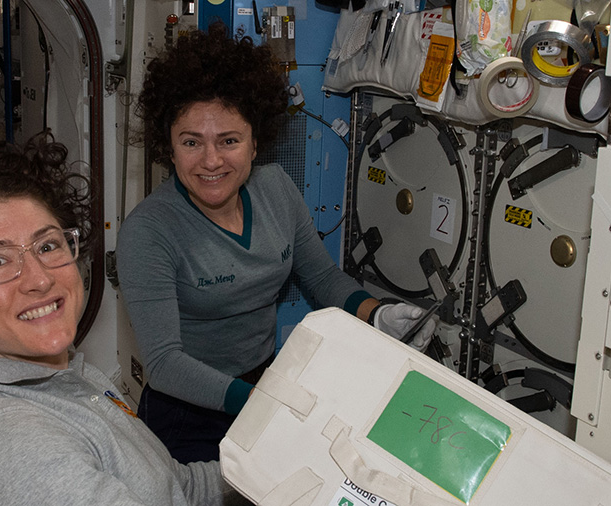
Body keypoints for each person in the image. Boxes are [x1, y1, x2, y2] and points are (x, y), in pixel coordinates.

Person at [116, 25, 437, 465]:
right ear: (168, 148)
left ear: (254, 144)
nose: (211, 161)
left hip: (267, 383)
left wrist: (378, 315)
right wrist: (261, 401)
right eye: (191, 142)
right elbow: (165, 363)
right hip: (187, 412)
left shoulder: (276, 188)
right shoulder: (148, 231)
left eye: (229, 140)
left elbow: (321, 277)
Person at [0, 132, 232, 505]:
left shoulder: (63, 380)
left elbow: (179, 487)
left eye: (48, 246)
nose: (40, 278)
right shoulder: (18, 451)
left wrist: (274, 468)